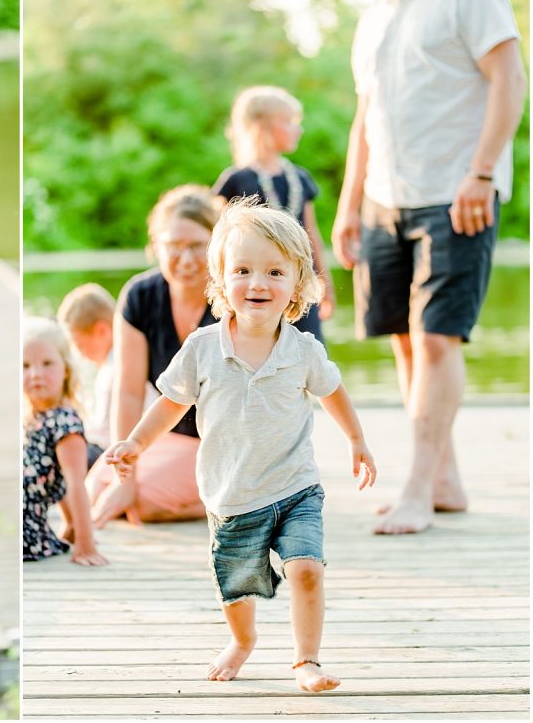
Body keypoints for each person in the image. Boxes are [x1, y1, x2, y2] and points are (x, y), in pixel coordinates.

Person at [105, 200, 377, 692]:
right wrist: (135, 444)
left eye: (275, 272)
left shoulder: (303, 350)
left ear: (298, 284)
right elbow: (170, 404)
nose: (258, 283)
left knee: (307, 569)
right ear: (222, 279)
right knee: (236, 588)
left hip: (296, 487)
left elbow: (333, 392)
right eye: (243, 270)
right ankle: (242, 640)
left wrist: (357, 441)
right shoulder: (204, 348)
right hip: (231, 495)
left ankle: (306, 661)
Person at [332, 0, 526, 534]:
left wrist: (483, 173)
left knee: (437, 338)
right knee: (403, 339)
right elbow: (367, 116)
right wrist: (349, 205)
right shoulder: (374, 12)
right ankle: (445, 479)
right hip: (384, 199)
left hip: (455, 192)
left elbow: (510, 79)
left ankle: (416, 489)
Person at [86, 185, 219, 526]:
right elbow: (128, 392)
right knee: (96, 488)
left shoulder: (231, 301)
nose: (186, 259)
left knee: (143, 504)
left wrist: (131, 490)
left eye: (196, 246)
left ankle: (238, 501)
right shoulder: (139, 296)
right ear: (155, 246)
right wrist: (124, 477)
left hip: (223, 441)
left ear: (217, 246)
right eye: (174, 246)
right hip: (170, 435)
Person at [214, 85, 335, 342]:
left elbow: (311, 233)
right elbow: (221, 242)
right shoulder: (237, 180)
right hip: (256, 290)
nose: (298, 129)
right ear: (261, 126)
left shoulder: (300, 178)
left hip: (299, 284)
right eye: (289, 122)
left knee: (308, 349)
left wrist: (326, 283)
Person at [23, 316, 107, 566]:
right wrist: (69, 525)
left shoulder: (65, 422)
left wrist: (84, 544)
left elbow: (74, 484)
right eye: (25, 366)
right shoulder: (32, 418)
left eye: (47, 363)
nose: (36, 374)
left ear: (66, 369)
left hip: (28, 538)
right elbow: (50, 474)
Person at [56, 283, 119, 468]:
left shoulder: (114, 370)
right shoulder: (112, 363)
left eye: (80, 345)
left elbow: (101, 433)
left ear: (102, 331)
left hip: (106, 451)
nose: (80, 354)